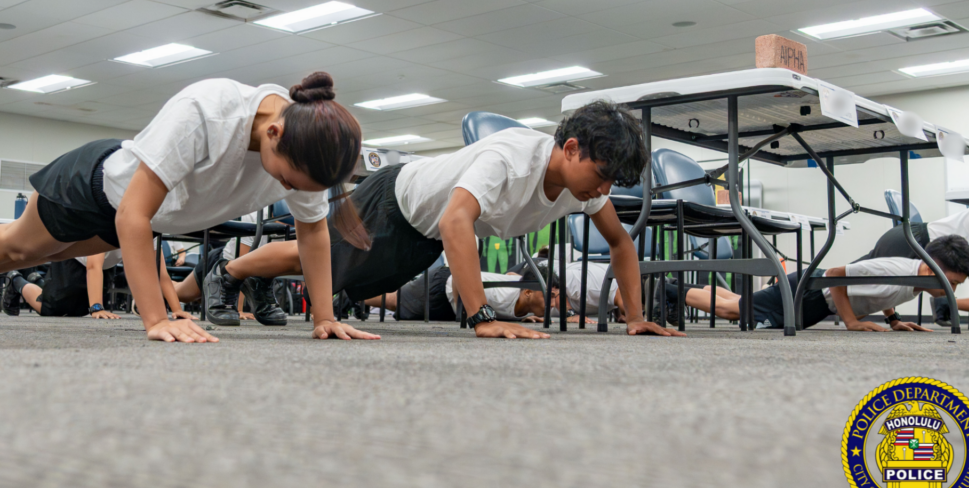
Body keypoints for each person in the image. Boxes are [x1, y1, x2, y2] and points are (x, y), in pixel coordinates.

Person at [211, 101, 683, 339]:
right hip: (395, 200)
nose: (603, 191)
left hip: (425, 231)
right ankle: (226, 272)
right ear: (573, 148)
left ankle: (241, 277)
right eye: (602, 176)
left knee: (331, 274)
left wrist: (636, 317)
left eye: (611, 184)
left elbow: (621, 244)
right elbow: (459, 219)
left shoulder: (584, 189)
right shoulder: (512, 158)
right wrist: (481, 317)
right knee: (317, 259)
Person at [0, 72, 375, 344]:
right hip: (90, 188)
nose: (291, 190)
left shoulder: (307, 150)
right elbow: (134, 212)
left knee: (17, 257)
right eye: (288, 182)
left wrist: (324, 318)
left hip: (125, 218)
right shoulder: (208, 110)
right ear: (274, 134)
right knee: (17, 251)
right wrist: (157, 320)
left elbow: (312, 231)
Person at [683, 235, 969, 331]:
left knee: (736, 303)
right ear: (931, 268)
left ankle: (704, 289)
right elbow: (835, 274)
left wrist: (894, 320)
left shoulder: (914, 280)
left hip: (816, 301)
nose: (953, 291)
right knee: (731, 312)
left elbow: (886, 295)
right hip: (811, 292)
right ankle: (670, 290)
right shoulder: (896, 267)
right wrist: (851, 321)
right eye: (952, 283)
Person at [861, 201, 969, 332]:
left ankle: (863, 317)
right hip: (911, 242)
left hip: (924, 249)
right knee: (847, 291)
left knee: (855, 301)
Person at [0, 244, 186, 320]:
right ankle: (16, 280)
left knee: (77, 311)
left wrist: (177, 310)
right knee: (51, 309)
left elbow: (161, 275)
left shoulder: (150, 229)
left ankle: (39, 281)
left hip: (100, 268)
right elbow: (92, 265)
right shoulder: (108, 219)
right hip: (75, 259)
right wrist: (96, 307)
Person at [173, 213, 287, 326]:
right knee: (181, 294)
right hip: (220, 263)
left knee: (196, 297)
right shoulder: (254, 216)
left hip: (241, 269)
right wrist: (239, 310)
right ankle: (160, 282)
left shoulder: (293, 221)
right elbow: (243, 265)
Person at [363, 263, 574, 322]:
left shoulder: (530, 305)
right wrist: (460, 316)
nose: (553, 304)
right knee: (392, 301)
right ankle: (352, 296)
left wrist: (519, 319)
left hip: (458, 305)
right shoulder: (501, 293)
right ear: (528, 291)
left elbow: (511, 273)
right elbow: (459, 276)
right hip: (443, 286)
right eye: (550, 298)